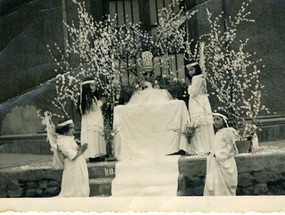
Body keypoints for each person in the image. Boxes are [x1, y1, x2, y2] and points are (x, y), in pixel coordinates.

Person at [203, 110, 239, 196]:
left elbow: (231, 149)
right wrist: (212, 152)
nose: (215, 122)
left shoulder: (228, 132)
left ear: (224, 120)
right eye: (214, 119)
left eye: (218, 119)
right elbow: (218, 146)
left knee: (226, 185)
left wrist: (218, 154)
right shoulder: (218, 133)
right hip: (216, 162)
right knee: (216, 186)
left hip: (225, 162)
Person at [186, 62, 215, 155]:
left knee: (199, 124)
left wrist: (189, 86)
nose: (190, 72)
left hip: (197, 101)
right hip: (202, 100)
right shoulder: (201, 77)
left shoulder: (196, 78)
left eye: (192, 69)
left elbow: (193, 92)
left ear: (197, 69)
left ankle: (202, 148)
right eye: (189, 71)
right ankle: (209, 146)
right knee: (204, 124)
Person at [56, 119, 90, 197]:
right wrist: (82, 150)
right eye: (71, 128)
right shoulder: (62, 141)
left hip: (78, 164)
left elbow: (74, 149)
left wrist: (79, 147)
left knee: (80, 180)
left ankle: (82, 195)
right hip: (73, 166)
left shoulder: (68, 138)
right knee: (74, 182)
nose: (73, 130)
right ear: (64, 130)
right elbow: (72, 156)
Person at [78, 79, 107, 162]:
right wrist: (101, 101)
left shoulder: (91, 97)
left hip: (94, 118)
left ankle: (97, 154)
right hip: (91, 120)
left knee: (96, 135)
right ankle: (93, 154)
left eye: (95, 85)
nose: (94, 87)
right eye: (92, 85)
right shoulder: (87, 98)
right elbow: (94, 107)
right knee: (92, 135)